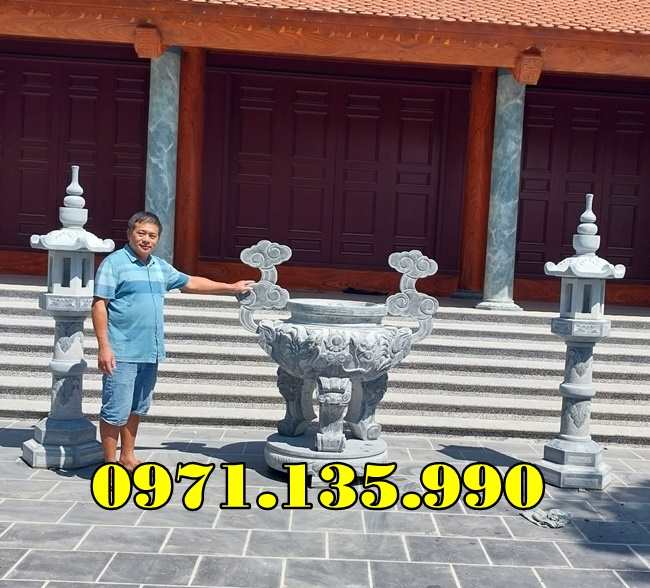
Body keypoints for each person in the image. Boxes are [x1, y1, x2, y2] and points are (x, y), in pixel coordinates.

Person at [91, 211, 253, 470]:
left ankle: (127, 456)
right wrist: (104, 347)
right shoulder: (114, 263)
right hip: (121, 351)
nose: (146, 239)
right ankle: (109, 465)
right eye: (141, 233)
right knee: (115, 410)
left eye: (152, 235)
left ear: (158, 239)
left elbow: (191, 282)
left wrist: (230, 287)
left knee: (136, 408)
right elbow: (100, 304)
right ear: (129, 234)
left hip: (150, 351)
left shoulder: (159, 266)